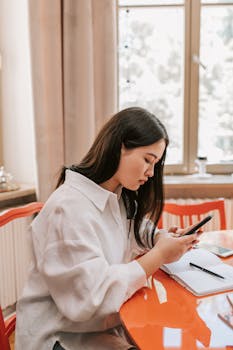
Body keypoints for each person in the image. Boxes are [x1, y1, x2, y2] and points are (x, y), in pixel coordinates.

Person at [15, 107, 198, 350]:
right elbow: (91, 297)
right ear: (120, 146)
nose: (151, 173)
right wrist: (160, 255)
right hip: (60, 337)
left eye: (155, 164)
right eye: (147, 160)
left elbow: (135, 229)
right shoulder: (69, 207)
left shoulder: (115, 195)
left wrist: (159, 238)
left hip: (93, 326)